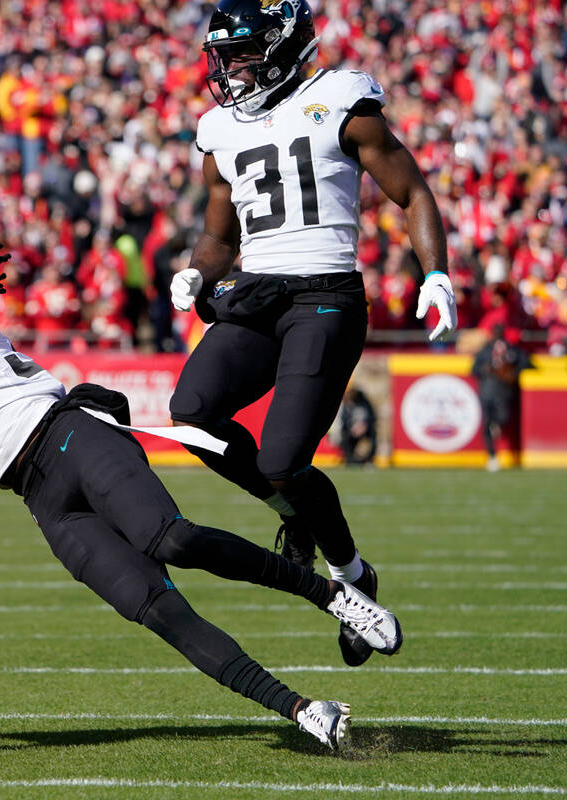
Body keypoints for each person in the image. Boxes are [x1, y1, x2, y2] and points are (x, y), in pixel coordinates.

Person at [0, 216, 404, 751]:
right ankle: (303, 711)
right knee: (157, 611)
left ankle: (334, 596)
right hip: (40, 494)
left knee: (171, 540)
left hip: (69, 435)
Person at [166, 0, 458, 668]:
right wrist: (194, 273)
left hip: (325, 295)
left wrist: (436, 273)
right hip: (258, 293)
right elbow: (218, 235)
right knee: (192, 415)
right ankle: (292, 514)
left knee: (280, 457)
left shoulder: (342, 100)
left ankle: (354, 576)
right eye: (224, 56)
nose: (230, 69)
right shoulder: (220, 129)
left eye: (242, 53)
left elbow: (412, 192)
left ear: (283, 46)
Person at [471, 325, 529, 472]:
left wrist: (512, 372)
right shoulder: (485, 351)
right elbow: (474, 369)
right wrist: (485, 369)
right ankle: (492, 456)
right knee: (487, 424)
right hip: (487, 391)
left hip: (503, 392)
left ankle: (496, 426)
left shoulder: (510, 349)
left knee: (503, 417)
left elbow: (525, 361)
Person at [337, 386, 377, 467]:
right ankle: (349, 459)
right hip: (352, 430)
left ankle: (369, 459)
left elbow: (371, 417)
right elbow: (344, 419)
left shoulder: (364, 403)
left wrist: (365, 426)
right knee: (346, 439)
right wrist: (351, 428)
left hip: (365, 429)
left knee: (373, 438)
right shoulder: (347, 404)